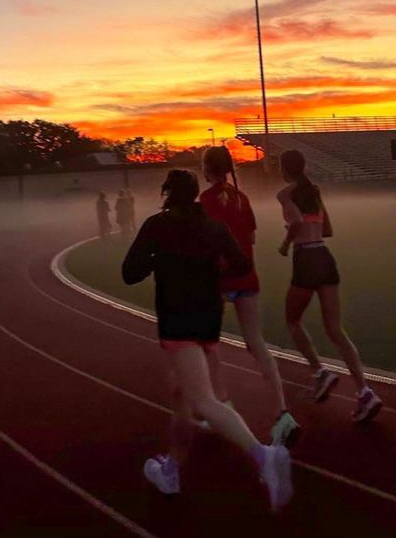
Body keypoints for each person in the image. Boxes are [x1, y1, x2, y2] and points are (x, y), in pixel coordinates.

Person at [122, 169, 293, 510]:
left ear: (167, 193)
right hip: (208, 318)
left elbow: (129, 273)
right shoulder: (214, 227)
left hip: (177, 320)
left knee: (201, 400)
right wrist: (212, 271)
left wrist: (160, 260)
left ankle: (263, 455)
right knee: (181, 395)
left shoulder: (158, 226)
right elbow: (242, 263)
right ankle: (171, 468)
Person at [200, 146, 300, 448]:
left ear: (207, 169)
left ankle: (222, 405)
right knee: (257, 344)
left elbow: (204, 243)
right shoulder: (242, 199)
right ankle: (282, 413)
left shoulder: (204, 201)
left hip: (217, 281)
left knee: (208, 344)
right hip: (247, 277)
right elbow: (252, 237)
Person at [277, 149, 382, 422]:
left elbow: (297, 222)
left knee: (292, 320)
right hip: (324, 256)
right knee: (335, 329)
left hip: (306, 258)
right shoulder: (315, 191)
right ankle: (364, 392)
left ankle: (320, 372)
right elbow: (328, 230)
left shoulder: (285, 195)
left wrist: (286, 242)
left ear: (284, 170)